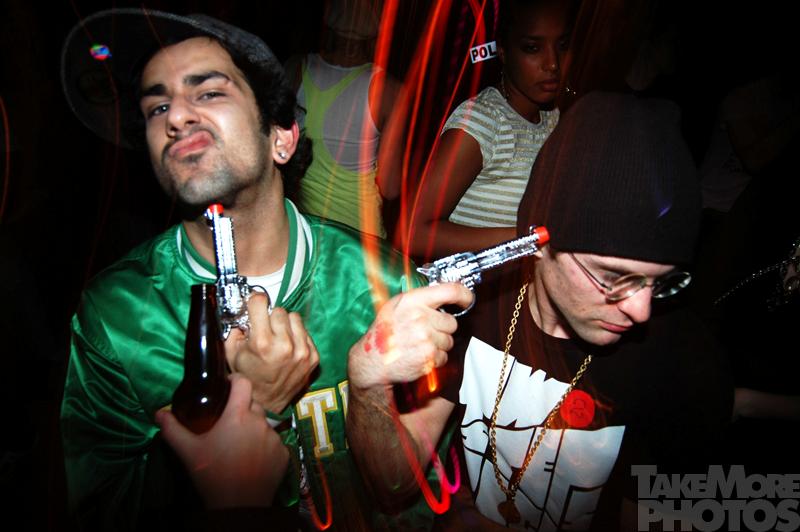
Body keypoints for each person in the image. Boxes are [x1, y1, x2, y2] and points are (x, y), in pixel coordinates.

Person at [59, 9, 470, 531]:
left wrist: (368, 397)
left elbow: (412, 496)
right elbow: (102, 508)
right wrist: (251, 408)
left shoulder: (383, 286)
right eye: (157, 106)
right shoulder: (119, 316)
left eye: (209, 92)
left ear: (282, 137)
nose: (176, 117)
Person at [347, 92, 736, 530]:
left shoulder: (685, 364)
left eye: (661, 282)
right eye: (612, 276)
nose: (641, 310)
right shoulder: (469, 310)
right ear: (539, 241)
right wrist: (368, 385)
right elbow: (392, 484)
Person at [405, 0, 577, 260]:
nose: (553, 63)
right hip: (467, 285)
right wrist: (528, 239)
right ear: (504, 52)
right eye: (532, 48)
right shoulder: (483, 122)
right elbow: (412, 234)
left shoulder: (553, 117)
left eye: (562, 45)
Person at [286, 0, 405, 238]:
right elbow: (390, 187)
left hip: (303, 230)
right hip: (359, 237)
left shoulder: (294, 69)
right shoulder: (389, 90)